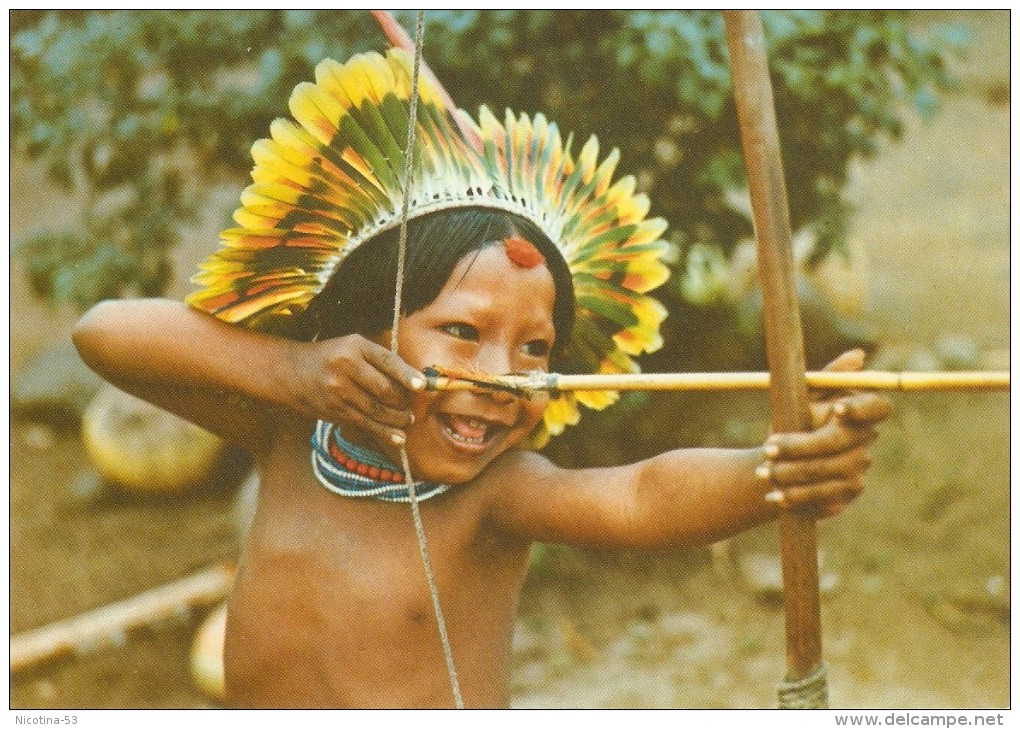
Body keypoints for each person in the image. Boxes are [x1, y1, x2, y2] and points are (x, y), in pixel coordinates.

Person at [72, 49, 889, 709]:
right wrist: (292, 371)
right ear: (361, 327)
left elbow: (640, 496)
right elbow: (104, 333)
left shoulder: (495, 495)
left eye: (536, 350)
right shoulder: (289, 431)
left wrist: (777, 469)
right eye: (462, 332)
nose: (503, 377)